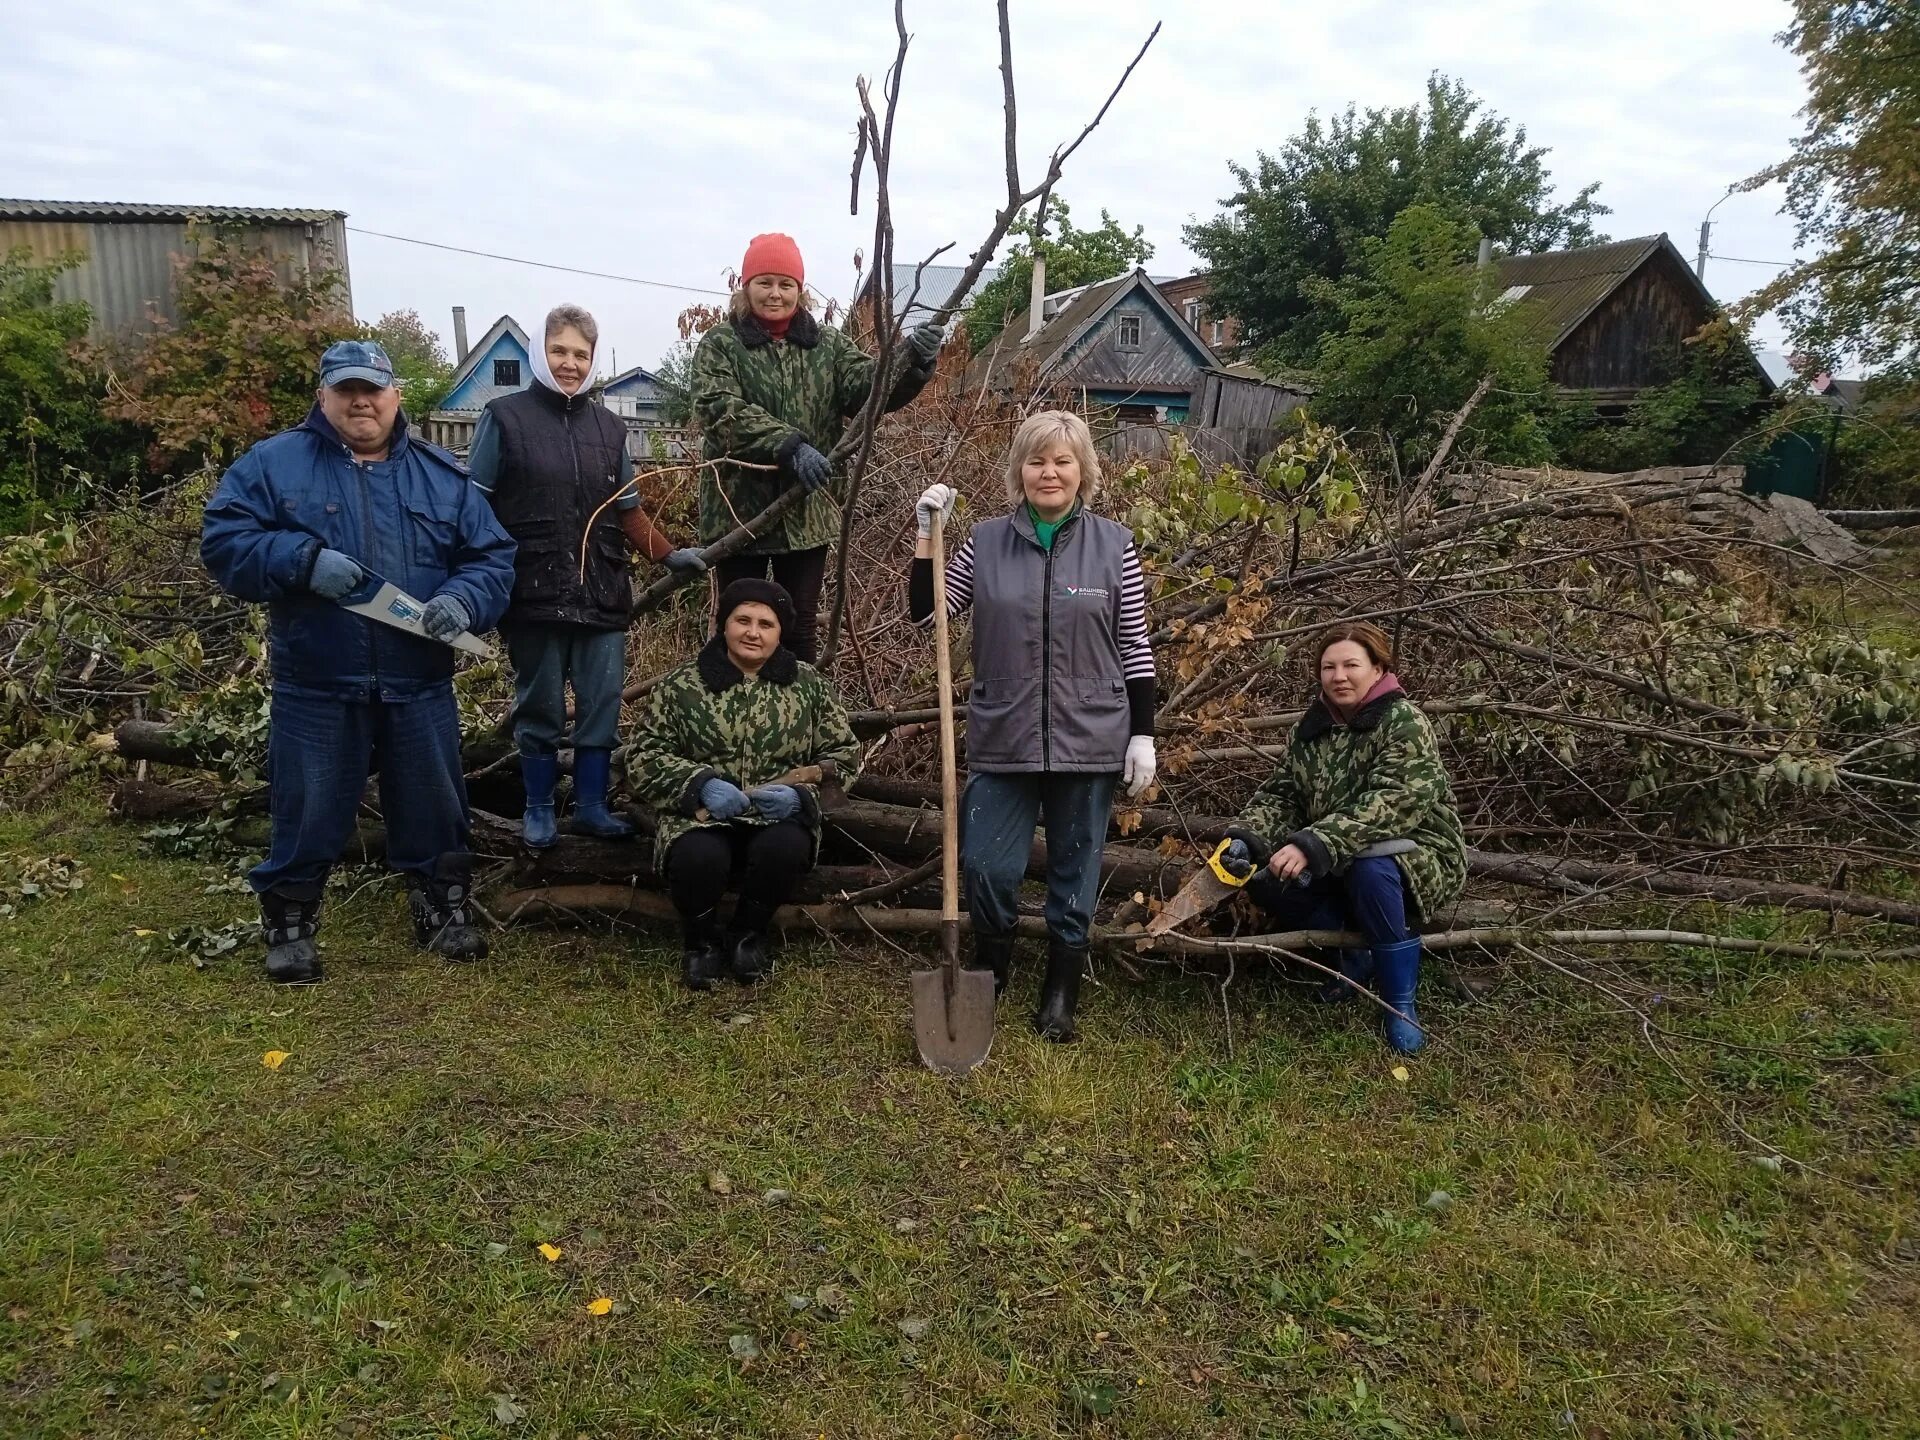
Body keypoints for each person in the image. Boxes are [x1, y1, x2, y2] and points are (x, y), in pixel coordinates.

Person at [201, 339, 517, 984]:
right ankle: (290, 925)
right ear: (324, 396)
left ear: (395, 394)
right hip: (316, 682)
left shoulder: (442, 476)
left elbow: (492, 557)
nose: (361, 401)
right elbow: (225, 542)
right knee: (309, 807)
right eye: (346, 389)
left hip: (419, 680)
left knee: (434, 803)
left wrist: (464, 600)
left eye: (372, 388)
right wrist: (301, 561)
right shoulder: (272, 465)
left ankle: (442, 908)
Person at [907, 410, 1158, 1043]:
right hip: (1004, 733)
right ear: (1020, 470)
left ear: (1084, 472)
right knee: (988, 867)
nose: (1049, 472)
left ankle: (1059, 995)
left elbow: (1134, 644)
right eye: (1037, 460)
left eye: (1063, 461)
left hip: (1091, 734)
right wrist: (926, 538)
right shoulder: (986, 542)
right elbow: (925, 612)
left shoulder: (1114, 544)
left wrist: (1143, 732)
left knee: (1076, 869)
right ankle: (992, 971)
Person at [468, 304, 707, 848]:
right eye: (559, 351)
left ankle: (593, 808)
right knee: (541, 704)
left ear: (593, 360)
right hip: (531, 590)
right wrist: (477, 576)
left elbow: (628, 510)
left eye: (581, 353)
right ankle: (539, 808)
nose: (570, 363)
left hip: (601, 589)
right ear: (539, 354)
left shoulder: (611, 428)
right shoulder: (505, 419)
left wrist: (668, 555)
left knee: (602, 702)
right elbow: (472, 506)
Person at [691, 232, 945, 661]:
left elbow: (868, 389)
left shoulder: (826, 345)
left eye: (785, 284)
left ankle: (802, 722)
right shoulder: (721, 344)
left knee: (798, 629)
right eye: (764, 282)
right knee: (736, 627)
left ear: (800, 290)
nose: (775, 294)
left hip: (809, 512)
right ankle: (732, 720)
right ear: (745, 286)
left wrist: (911, 362)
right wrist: (789, 446)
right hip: (738, 511)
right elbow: (719, 411)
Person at [1220, 621, 1467, 1054]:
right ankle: (1354, 959)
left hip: (1416, 852)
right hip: (1336, 851)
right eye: (1329, 667)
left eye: (1352, 665)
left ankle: (1399, 1004)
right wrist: (1248, 839)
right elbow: (1283, 795)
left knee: (1372, 871)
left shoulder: (1403, 722)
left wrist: (1313, 843)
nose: (1339, 676)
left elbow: (1396, 802)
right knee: (1266, 880)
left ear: (1377, 668)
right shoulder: (1313, 727)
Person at [628, 579, 863, 990]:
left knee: (784, 849)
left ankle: (748, 934)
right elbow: (643, 756)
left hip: (776, 816)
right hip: (700, 816)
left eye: (765, 624)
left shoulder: (808, 685)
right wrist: (699, 785)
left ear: (780, 632)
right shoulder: (683, 685)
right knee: (698, 858)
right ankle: (701, 943)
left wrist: (800, 796)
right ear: (724, 625)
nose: (753, 632)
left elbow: (844, 755)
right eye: (743, 620)